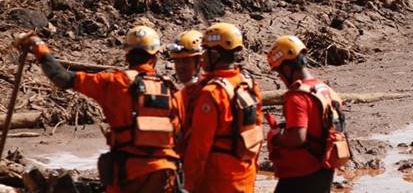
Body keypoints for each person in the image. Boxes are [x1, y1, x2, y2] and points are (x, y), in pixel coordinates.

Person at [16, 26, 181, 193]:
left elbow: (62, 78)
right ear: (155, 57)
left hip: (127, 174)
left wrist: (38, 47)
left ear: (127, 55)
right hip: (164, 173)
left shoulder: (113, 82)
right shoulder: (170, 89)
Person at [182, 23, 264, 193]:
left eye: (205, 51)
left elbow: (199, 147)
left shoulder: (212, 93)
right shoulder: (249, 84)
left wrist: (188, 185)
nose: (202, 56)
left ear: (215, 54)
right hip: (245, 176)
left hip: (219, 180)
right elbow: (258, 132)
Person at [266, 35, 349, 193]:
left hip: (302, 174)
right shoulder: (324, 89)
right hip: (325, 168)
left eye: (279, 72)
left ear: (287, 68)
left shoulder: (297, 97)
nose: (281, 78)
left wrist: (275, 137)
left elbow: (297, 138)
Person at [167, 30, 204, 155]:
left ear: (200, 62)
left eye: (186, 61)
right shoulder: (180, 96)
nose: (181, 67)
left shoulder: (210, 93)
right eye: (177, 61)